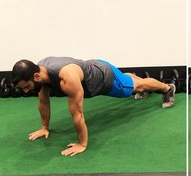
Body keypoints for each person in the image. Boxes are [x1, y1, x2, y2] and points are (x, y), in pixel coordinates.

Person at [11, 57, 176, 156]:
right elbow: (43, 102)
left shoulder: (67, 77)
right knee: (131, 82)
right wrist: (44, 127)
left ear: (37, 76)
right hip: (93, 66)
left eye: (26, 86)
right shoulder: (41, 71)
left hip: (104, 78)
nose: (26, 91)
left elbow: (78, 114)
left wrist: (82, 144)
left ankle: (167, 88)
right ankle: (130, 79)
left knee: (137, 87)